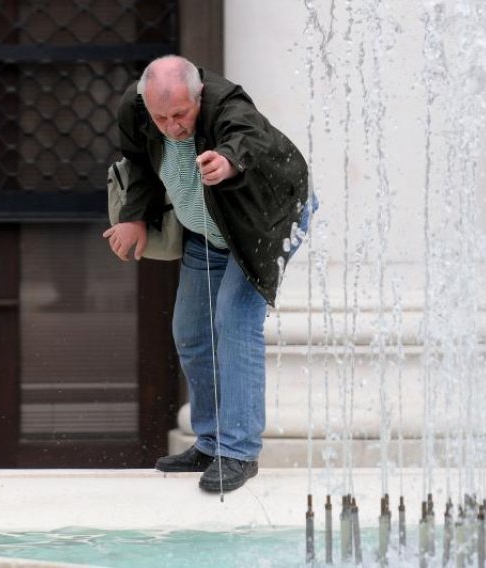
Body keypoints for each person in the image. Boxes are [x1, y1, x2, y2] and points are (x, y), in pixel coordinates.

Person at [103, 55, 315, 492]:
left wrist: (229, 161)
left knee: (234, 323)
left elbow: (248, 137)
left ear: (198, 95)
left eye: (180, 114)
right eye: (161, 117)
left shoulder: (227, 103)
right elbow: (139, 161)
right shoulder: (137, 108)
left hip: (260, 225)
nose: (172, 126)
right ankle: (212, 440)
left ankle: (238, 452)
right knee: (192, 331)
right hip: (205, 229)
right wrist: (134, 217)